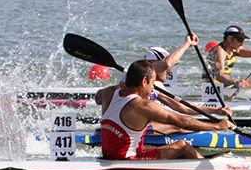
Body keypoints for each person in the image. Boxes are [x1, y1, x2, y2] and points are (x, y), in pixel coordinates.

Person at [95, 35, 233, 135]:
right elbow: (167, 63)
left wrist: (215, 110)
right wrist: (187, 43)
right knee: (179, 127)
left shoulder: (140, 80)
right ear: (154, 65)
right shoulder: (148, 76)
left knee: (178, 124)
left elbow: (182, 107)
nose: (170, 70)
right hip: (129, 130)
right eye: (167, 67)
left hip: (114, 129)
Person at [100, 60, 233, 160]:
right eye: (152, 83)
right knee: (182, 146)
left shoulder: (108, 93)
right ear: (143, 83)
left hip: (108, 155)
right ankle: (204, 166)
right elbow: (181, 121)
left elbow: (97, 97)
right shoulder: (142, 106)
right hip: (130, 159)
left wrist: (120, 86)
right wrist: (217, 126)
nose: (152, 89)